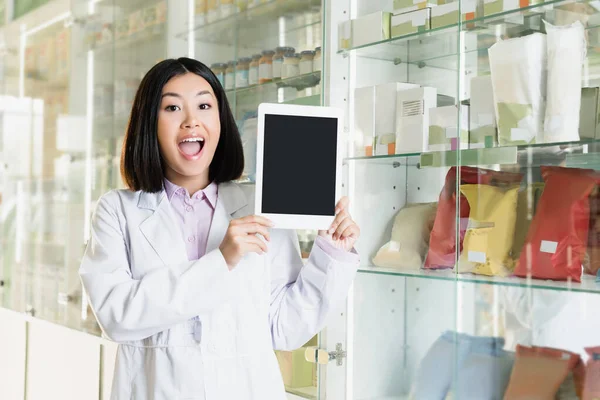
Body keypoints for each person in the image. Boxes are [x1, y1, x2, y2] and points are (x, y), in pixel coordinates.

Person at [79, 57, 360, 400]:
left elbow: (283, 327)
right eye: (171, 108)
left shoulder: (260, 206)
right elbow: (116, 316)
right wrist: (221, 260)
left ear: (221, 121)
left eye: (204, 105)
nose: (191, 120)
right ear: (148, 124)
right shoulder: (118, 211)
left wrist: (331, 253)